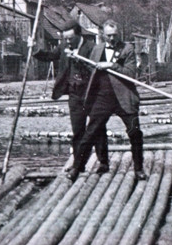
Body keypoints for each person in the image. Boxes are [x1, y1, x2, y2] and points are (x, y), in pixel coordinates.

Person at [68, 20, 146, 182]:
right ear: (103, 35)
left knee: (135, 133)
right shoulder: (97, 49)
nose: (112, 39)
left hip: (124, 98)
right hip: (102, 98)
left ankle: (139, 169)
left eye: (114, 35)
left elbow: (130, 74)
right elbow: (91, 69)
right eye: (108, 35)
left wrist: (111, 65)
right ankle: (77, 167)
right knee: (90, 133)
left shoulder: (128, 49)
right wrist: (77, 59)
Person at [32, 19, 109, 174]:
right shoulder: (64, 47)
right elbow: (49, 56)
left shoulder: (91, 47)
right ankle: (78, 164)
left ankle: (103, 162)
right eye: (65, 39)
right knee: (78, 129)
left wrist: (79, 60)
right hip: (74, 94)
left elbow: (97, 69)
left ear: (79, 35)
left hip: (92, 93)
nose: (67, 41)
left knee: (97, 128)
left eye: (70, 38)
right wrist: (34, 49)